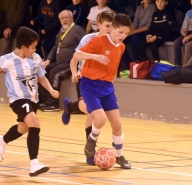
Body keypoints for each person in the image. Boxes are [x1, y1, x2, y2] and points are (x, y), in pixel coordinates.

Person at [0, 27, 59, 176]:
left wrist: (51, 90)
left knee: (23, 128)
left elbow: (41, 78)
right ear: (23, 47)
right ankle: (34, 164)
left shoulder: (36, 58)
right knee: (35, 124)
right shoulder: (7, 60)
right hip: (18, 99)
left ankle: (2, 140)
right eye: (33, 47)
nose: (34, 50)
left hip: (33, 100)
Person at [70, 13, 132, 169]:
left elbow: (113, 64)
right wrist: (95, 57)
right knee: (100, 119)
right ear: (111, 28)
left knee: (117, 124)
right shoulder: (98, 41)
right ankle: (91, 142)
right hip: (90, 85)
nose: (123, 36)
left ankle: (119, 156)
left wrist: (112, 78)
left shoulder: (121, 46)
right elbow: (77, 55)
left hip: (107, 87)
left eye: (126, 33)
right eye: (120, 32)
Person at [62, 10, 116, 164]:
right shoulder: (88, 39)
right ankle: (90, 152)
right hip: (85, 77)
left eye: (113, 27)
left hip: (102, 81)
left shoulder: (114, 42)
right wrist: (74, 73)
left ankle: (70, 107)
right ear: (98, 25)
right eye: (107, 26)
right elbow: (75, 58)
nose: (110, 30)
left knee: (92, 113)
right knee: (93, 112)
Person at [39, 10, 85, 111]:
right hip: (59, 62)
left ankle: (53, 104)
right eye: (62, 18)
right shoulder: (62, 30)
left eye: (67, 18)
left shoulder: (77, 30)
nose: (65, 20)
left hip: (70, 63)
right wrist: (48, 60)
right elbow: (56, 47)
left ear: (72, 18)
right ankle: (44, 100)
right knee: (42, 71)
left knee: (55, 73)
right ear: (59, 20)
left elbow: (86, 44)